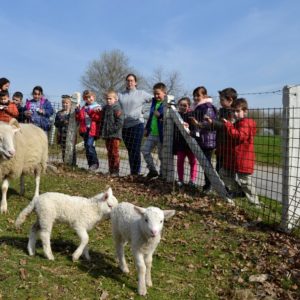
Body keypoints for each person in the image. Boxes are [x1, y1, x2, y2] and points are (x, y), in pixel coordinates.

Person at [219, 98, 260, 206]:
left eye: (238, 111)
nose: (235, 114)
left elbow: (239, 136)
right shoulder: (238, 122)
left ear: (245, 111)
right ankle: (238, 191)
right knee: (224, 173)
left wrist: (229, 125)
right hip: (234, 158)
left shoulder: (246, 123)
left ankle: (255, 203)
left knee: (245, 181)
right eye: (233, 111)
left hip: (243, 158)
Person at [118, 74, 152, 176]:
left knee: (135, 149)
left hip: (137, 124)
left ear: (136, 82)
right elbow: (112, 102)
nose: (130, 82)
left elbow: (154, 100)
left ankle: (135, 173)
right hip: (125, 126)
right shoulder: (120, 95)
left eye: (132, 80)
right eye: (128, 80)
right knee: (130, 150)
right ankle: (133, 172)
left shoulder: (141, 93)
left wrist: (144, 111)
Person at [189, 86, 217, 193]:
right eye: (194, 96)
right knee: (205, 163)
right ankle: (208, 184)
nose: (195, 98)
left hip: (207, 140)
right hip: (201, 138)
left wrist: (197, 124)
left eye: (198, 95)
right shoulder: (198, 107)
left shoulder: (207, 107)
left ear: (204, 95)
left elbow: (209, 124)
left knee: (207, 164)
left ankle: (209, 185)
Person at [141, 82, 166, 179]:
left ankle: (162, 175)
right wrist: (147, 128)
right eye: (155, 94)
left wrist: (161, 115)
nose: (156, 96)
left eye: (158, 94)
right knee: (144, 150)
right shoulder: (154, 102)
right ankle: (152, 170)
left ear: (164, 93)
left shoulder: (167, 104)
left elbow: (169, 117)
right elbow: (151, 117)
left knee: (162, 156)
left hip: (161, 134)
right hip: (152, 133)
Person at [211, 88, 237, 173]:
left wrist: (213, 123)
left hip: (229, 147)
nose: (220, 102)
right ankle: (219, 186)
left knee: (227, 171)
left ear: (230, 100)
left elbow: (225, 126)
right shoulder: (221, 111)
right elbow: (218, 125)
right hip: (220, 146)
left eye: (222, 100)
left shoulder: (233, 113)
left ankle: (226, 187)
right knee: (219, 168)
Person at [173, 97, 198, 187]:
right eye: (181, 105)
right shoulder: (175, 115)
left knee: (192, 162)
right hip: (180, 143)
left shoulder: (192, 115)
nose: (182, 107)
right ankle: (180, 180)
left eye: (185, 105)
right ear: (178, 105)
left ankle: (192, 180)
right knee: (180, 161)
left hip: (190, 143)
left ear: (188, 106)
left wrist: (189, 126)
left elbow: (195, 128)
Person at [75, 90, 102, 171]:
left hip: (92, 129)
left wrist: (90, 112)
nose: (89, 99)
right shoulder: (84, 108)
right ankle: (91, 165)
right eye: (87, 98)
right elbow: (80, 118)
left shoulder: (97, 107)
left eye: (90, 97)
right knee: (87, 146)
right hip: (85, 129)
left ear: (94, 97)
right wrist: (77, 112)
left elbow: (98, 118)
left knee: (89, 145)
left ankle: (95, 163)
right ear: (84, 99)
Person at [100, 90, 124, 177]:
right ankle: (110, 170)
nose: (108, 100)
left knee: (115, 152)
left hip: (115, 135)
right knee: (109, 152)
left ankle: (116, 170)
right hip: (107, 135)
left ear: (115, 99)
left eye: (110, 99)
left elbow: (120, 121)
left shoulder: (117, 108)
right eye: (107, 99)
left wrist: (112, 130)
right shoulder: (106, 108)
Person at [54, 95, 76, 164]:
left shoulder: (73, 113)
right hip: (61, 133)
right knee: (63, 149)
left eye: (67, 103)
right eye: (63, 103)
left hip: (71, 134)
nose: (65, 104)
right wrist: (62, 122)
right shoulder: (59, 113)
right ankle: (65, 162)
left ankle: (73, 163)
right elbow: (56, 124)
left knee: (72, 148)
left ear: (70, 104)